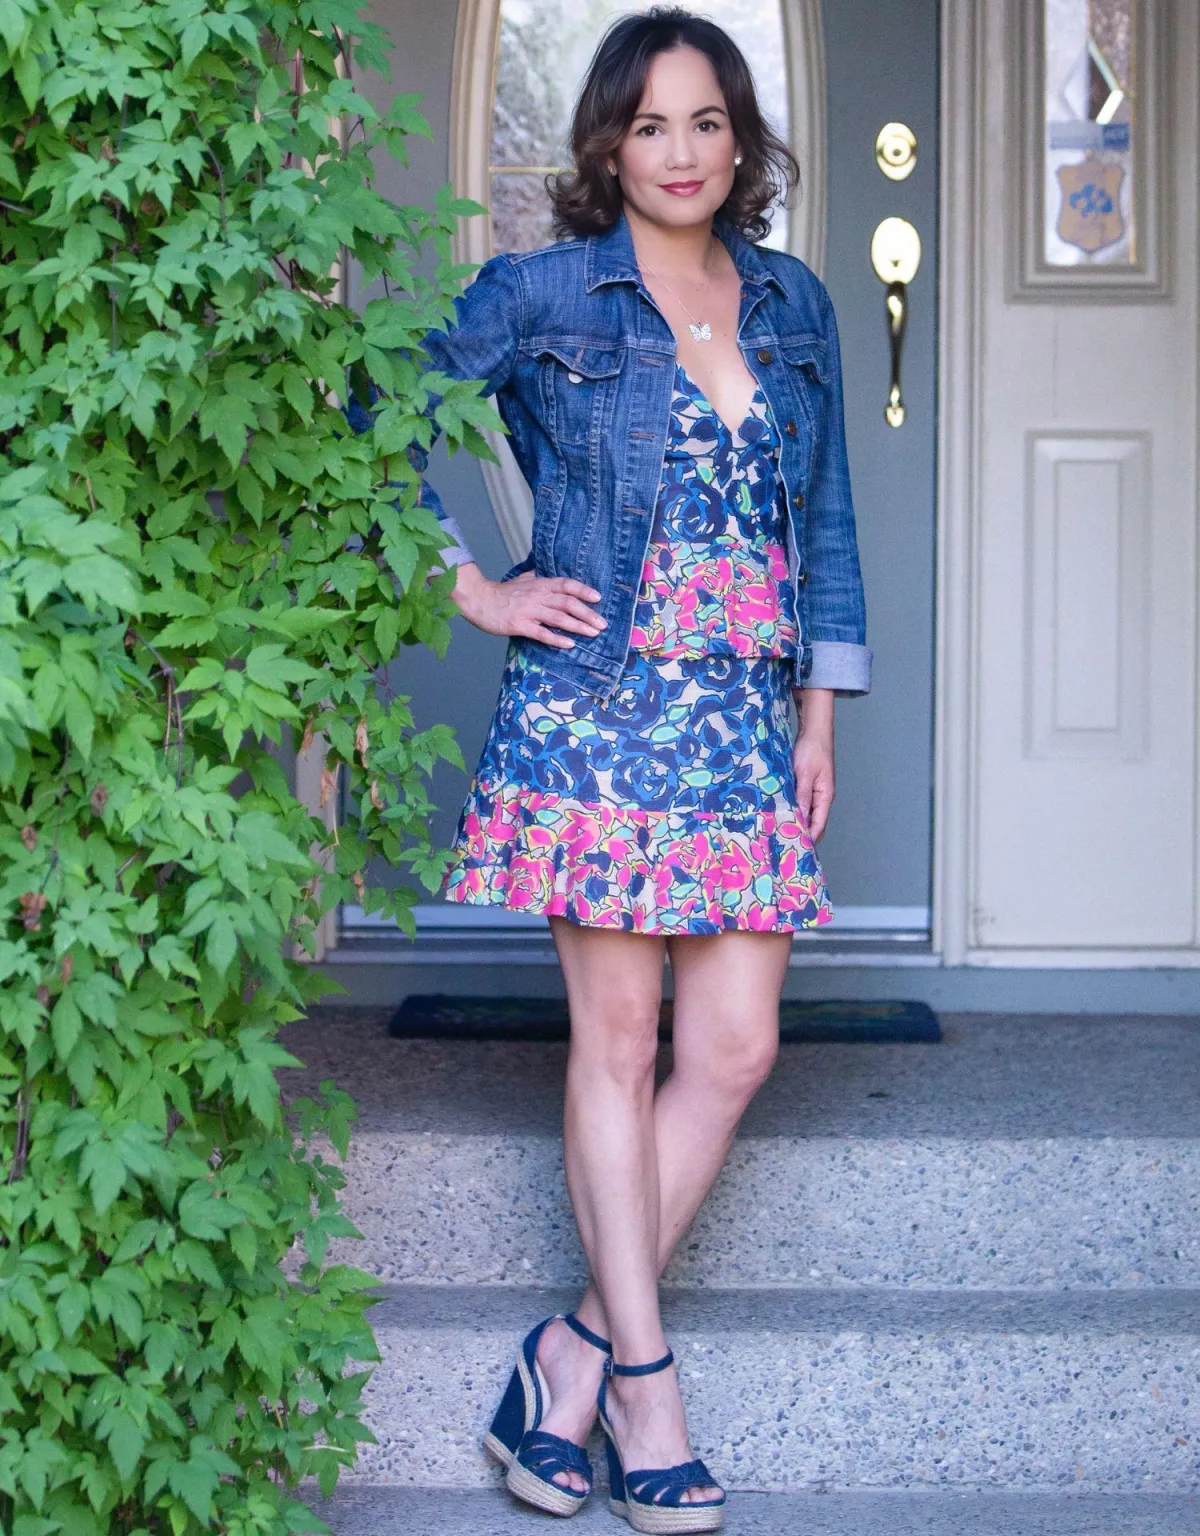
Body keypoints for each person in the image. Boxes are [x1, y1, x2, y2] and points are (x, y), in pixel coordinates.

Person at [409, 9, 870, 1530]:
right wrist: (473, 590)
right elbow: (368, 419)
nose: (682, 151)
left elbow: (829, 528)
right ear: (606, 142)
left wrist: (819, 717)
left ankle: (569, 1351)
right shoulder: (542, 290)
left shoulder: (796, 299)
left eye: (710, 122)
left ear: (744, 143)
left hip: (742, 720)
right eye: (653, 124)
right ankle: (648, 1387)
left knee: (732, 1048)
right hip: (594, 712)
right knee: (618, 1044)